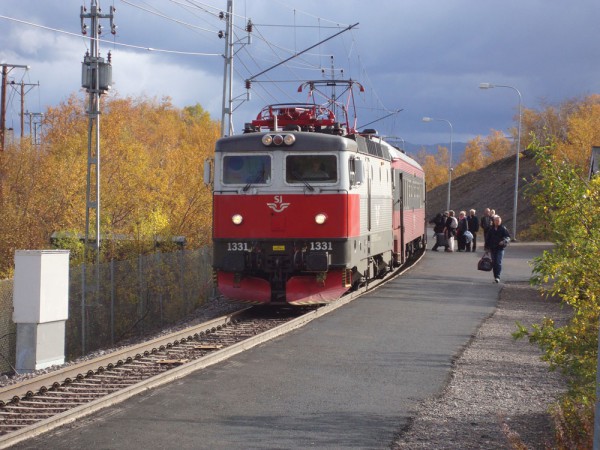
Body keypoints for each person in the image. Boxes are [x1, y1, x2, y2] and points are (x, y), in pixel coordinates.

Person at [484, 215, 511, 283]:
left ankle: (498, 277)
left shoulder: (503, 229)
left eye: (498, 221)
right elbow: (487, 239)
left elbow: (508, 237)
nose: (497, 222)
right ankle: (495, 276)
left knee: (498, 262)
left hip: (500, 248)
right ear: (494, 221)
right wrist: (486, 248)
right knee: (494, 263)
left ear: (500, 221)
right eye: (496, 221)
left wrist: (504, 241)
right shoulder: (491, 229)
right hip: (492, 248)